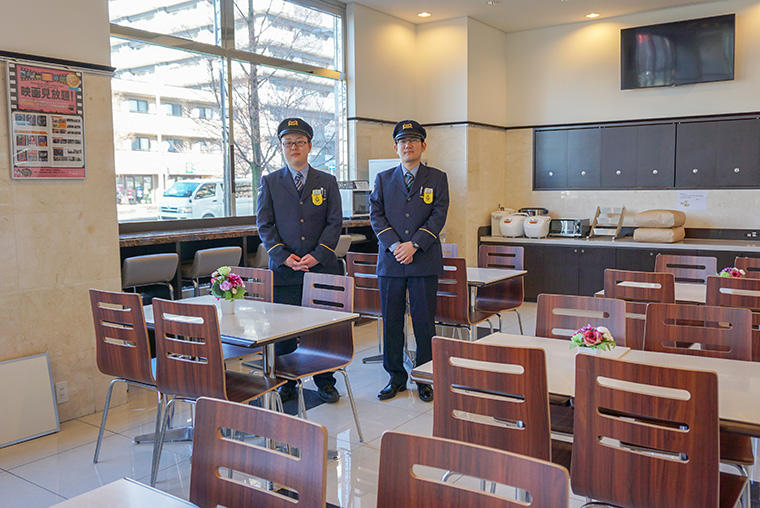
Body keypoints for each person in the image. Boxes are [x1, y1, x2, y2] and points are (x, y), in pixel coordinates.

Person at [256, 117, 343, 404]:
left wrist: (317, 256)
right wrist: (283, 256)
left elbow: (334, 223)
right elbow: (264, 225)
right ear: (281, 147)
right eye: (288, 143)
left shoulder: (327, 182)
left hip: (320, 269)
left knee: (322, 329)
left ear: (309, 146)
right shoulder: (270, 182)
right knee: (284, 331)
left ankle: (325, 381)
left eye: (299, 142)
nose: (294, 147)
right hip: (284, 269)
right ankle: (287, 381)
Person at [369, 120, 449, 402]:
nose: (408, 145)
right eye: (403, 142)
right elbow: (376, 216)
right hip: (391, 262)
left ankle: (425, 377)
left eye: (414, 140)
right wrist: (395, 245)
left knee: (424, 321)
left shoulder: (437, 178)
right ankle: (395, 377)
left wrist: (414, 244)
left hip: (423, 259)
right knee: (391, 321)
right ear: (395, 148)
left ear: (423, 146)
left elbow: (438, 216)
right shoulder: (382, 178)